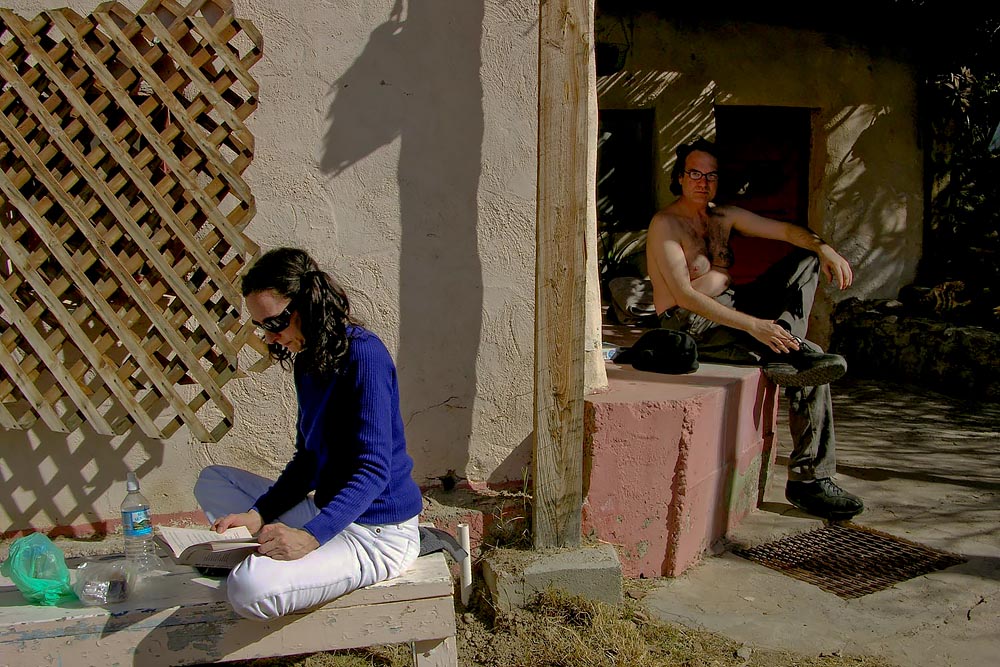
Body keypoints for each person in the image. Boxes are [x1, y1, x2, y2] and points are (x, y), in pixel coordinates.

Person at [194, 247, 424, 620]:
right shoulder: (307, 364)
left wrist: (312, 536)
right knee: (212, 481)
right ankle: (276, 550)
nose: (269, 338)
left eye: (273, 324)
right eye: (261, 327)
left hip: (376, 534)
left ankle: (281, 561)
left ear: (306, 306)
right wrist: (258, 513)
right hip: (329, 510)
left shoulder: (365, 355)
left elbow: (373, 470)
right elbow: (308, 461)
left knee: (247, 588)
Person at [645, 137, 864, 521]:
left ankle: (787, 346)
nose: (703, 182)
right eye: (695, 173)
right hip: (690, 326)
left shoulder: (723, 216)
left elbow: (785, 231)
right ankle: (809, 480)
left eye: (711, 175)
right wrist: (754, 325)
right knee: (810, 363)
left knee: (806, 260)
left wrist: (825, 249)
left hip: (730, 309)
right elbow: (684, 296)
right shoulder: (666, 224)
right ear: (680, 178)